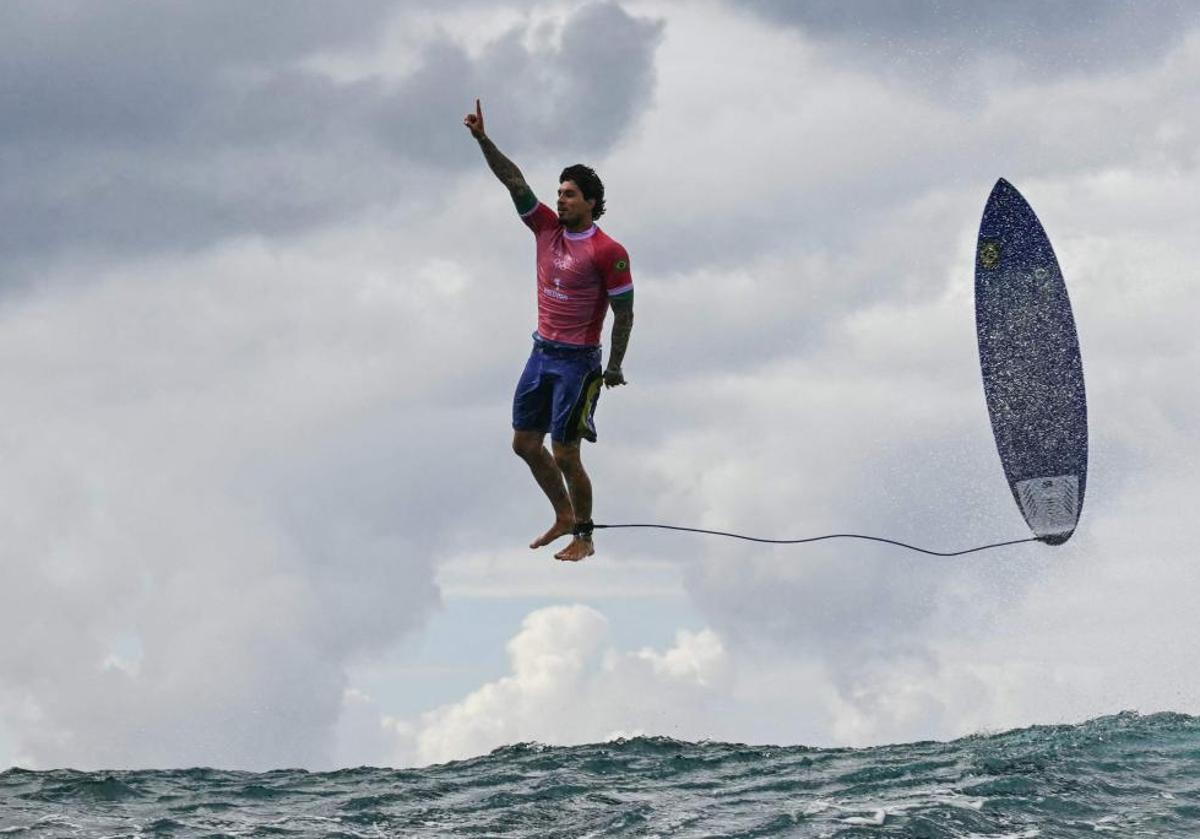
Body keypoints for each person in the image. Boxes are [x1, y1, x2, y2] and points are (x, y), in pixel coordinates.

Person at [463, 99, 635, 562]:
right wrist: (483, 140)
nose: (560, 199)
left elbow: (625, 312)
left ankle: (584, 534)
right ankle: (562, 514)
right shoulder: (545, 229)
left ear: (591, 203)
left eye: (570, 194)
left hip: (578, 363)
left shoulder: (608, 251)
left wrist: (615, 365)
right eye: (559, 192)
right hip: (541, 353)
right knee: (524, 444)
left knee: (565, 453)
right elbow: (513, 180)